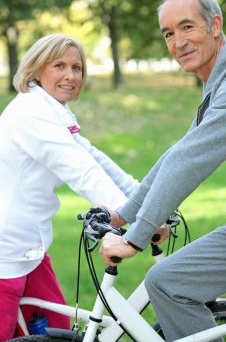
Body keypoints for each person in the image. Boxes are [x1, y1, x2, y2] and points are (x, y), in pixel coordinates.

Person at [100, 0, 226, 342]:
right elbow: (180, 151)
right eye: (168, 33)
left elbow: (191, 160)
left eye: (187, 27)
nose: (178, 41)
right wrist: (124, 215)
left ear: (215, 25)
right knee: (166, 282)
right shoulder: (223, 76)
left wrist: (135, 239)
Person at [0, 33, 141, 341]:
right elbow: (80, 171)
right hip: (4, 258)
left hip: (30, 252)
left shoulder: (52, 111)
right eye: (59, 65)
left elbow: (92, 157)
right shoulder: (31, 114)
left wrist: (142, 196)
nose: (70, 75)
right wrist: (136, 216)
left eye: (76, 67)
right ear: (37, 70)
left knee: (59, 333)